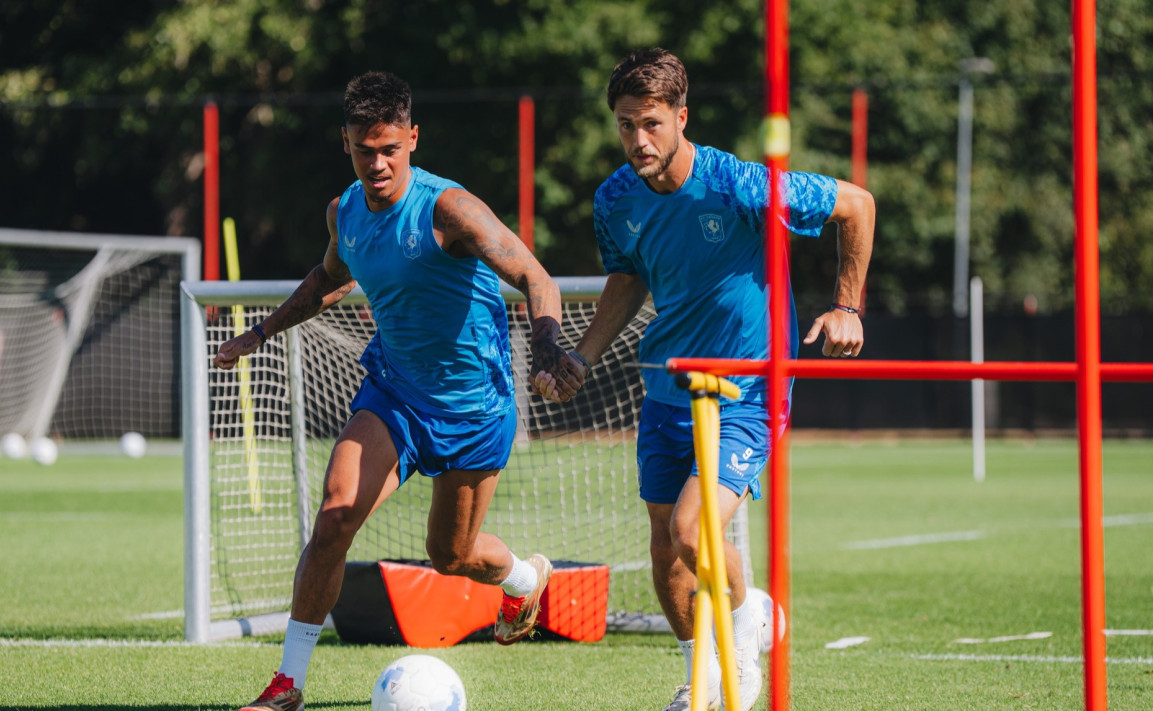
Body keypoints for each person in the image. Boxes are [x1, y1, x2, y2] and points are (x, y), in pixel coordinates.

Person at [216, 71, 577, 711]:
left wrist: (547, 342)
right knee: (333, 519)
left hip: (473, 408)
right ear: (347, 143)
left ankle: (524, 579)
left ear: (412, 137)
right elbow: (332, 277)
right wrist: (264, 330)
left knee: (451, 555)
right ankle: (287, 684)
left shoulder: (450, 210)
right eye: (364, 149)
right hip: (394, 396)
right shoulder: (344, 211)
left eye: (389, 148)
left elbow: (533, 274)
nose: (377, 164)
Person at [533, 48, 875, 711]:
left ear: (680, 117)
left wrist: (846, 304)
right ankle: (703, 676)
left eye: (651, 123)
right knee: (665, 553)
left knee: (694, 531)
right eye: (626, 124)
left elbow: (856, 205)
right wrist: (582, 356)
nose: (637, 139)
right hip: (667, 387)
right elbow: (626, 280)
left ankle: (742, 636)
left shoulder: (740, 184)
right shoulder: (614, 198)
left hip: (746, 387)